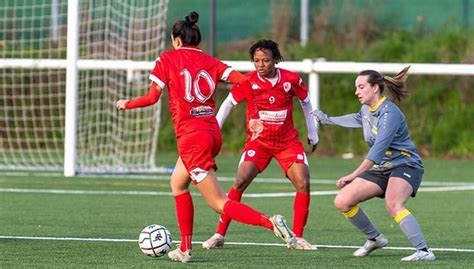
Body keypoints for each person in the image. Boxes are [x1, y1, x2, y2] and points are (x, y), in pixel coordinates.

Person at [116, 12, 296, 263]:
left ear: (176, 40)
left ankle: (270, 223)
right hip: (211, 133)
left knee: (218, 202)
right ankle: (185, 248)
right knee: (178, 184)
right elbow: (245, 82)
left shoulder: (166, 59)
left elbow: (152, 98)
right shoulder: (212, 61)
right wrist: (253, 115)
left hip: (191, 138)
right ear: (197, 41)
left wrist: (127, 103)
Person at [202, 39, 319, 250]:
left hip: (287, 143)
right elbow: (228, 103)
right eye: (256, 61)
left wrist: (313, 132)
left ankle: (298, 237)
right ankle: (219, 234)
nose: (261, 65)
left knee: (303, 182)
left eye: (265, 60)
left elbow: (306, 100)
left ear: (276, 60)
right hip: (259, 143)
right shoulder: (247, 82)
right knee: (239, 181)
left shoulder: (290, 79)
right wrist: (214, 131)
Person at [312, 66, 435, 261]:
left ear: (375, 88)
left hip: (405, 164)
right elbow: (356, 118)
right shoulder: (366, 110)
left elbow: (377, 150)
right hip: (383, 168)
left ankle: (424, 252)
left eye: (361, 87)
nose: (356, 92)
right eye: (356, 87)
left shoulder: (390, 114)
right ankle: (375, 239)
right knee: (342, 201)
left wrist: (353, 175)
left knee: (394, 204)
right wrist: (327, 119)